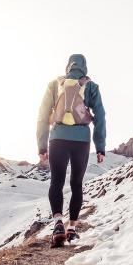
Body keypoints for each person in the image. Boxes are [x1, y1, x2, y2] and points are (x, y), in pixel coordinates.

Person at [36, 54, 106, 247]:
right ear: (85, 67)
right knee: (76, 184)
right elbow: (100, 115)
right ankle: (72, 229)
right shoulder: (91, 86)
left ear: (68, 66)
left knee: (56, 181)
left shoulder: (55, 84)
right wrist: (100, 146)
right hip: (81, 140)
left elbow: (42, 115)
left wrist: (42, 145)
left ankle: (58, 221)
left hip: (57, 137)